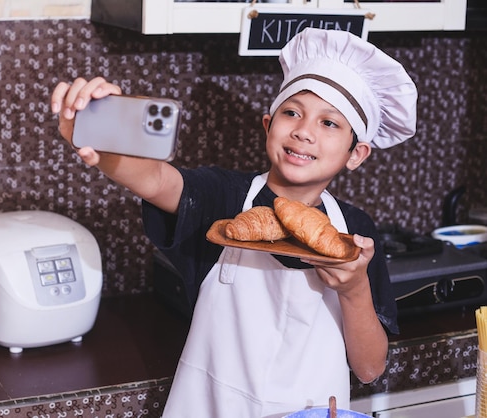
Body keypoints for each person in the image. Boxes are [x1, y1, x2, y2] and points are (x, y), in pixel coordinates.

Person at [51, 28, 417, 417]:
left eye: (330, 124)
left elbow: (369, 368)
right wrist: (95, 137)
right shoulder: (222, 199)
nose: (304, 131)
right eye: (292, 112)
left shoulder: (352, 235)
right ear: (267, 125)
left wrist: (355, 289)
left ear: (356, 153)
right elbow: (156, 180)